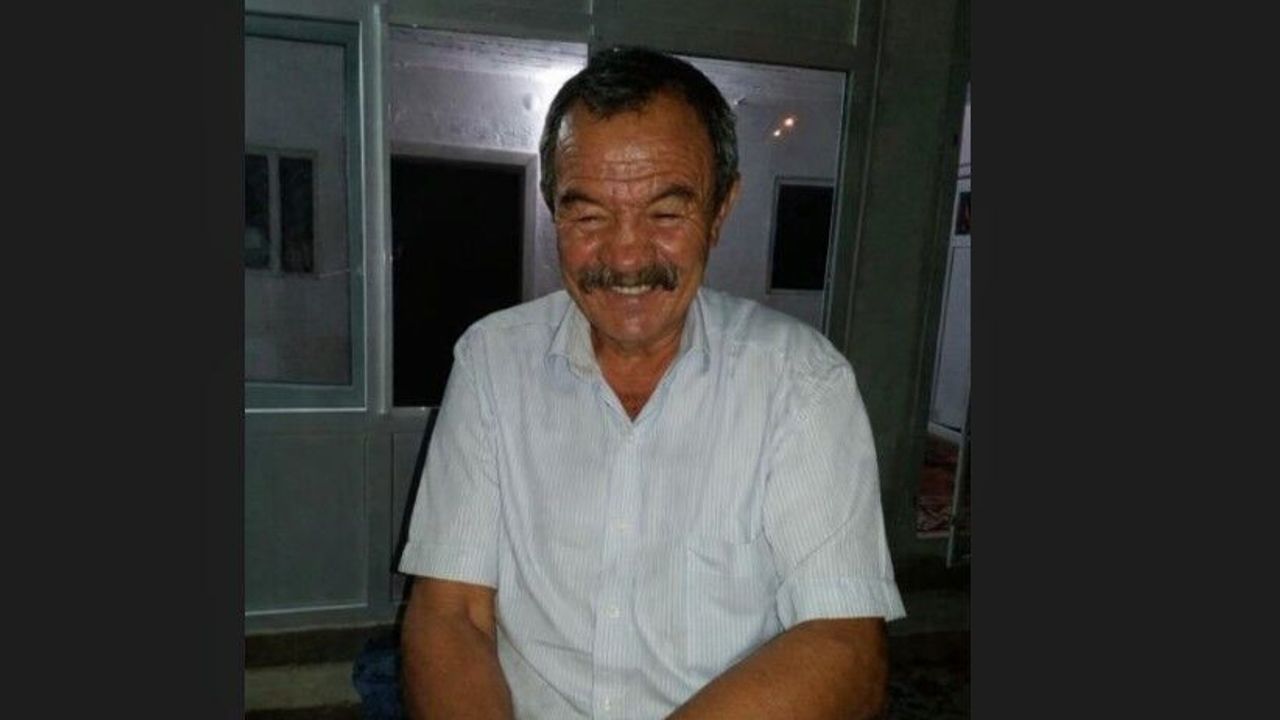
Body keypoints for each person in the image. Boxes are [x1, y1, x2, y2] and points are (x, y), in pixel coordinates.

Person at [398, 46, 905, 720]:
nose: (626, 255)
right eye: (589, 215)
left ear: (720, 211)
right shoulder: (493, 363)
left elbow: (844, 645)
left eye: (666, 214)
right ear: (553, 211)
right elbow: (451, 612)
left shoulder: (802, 383)